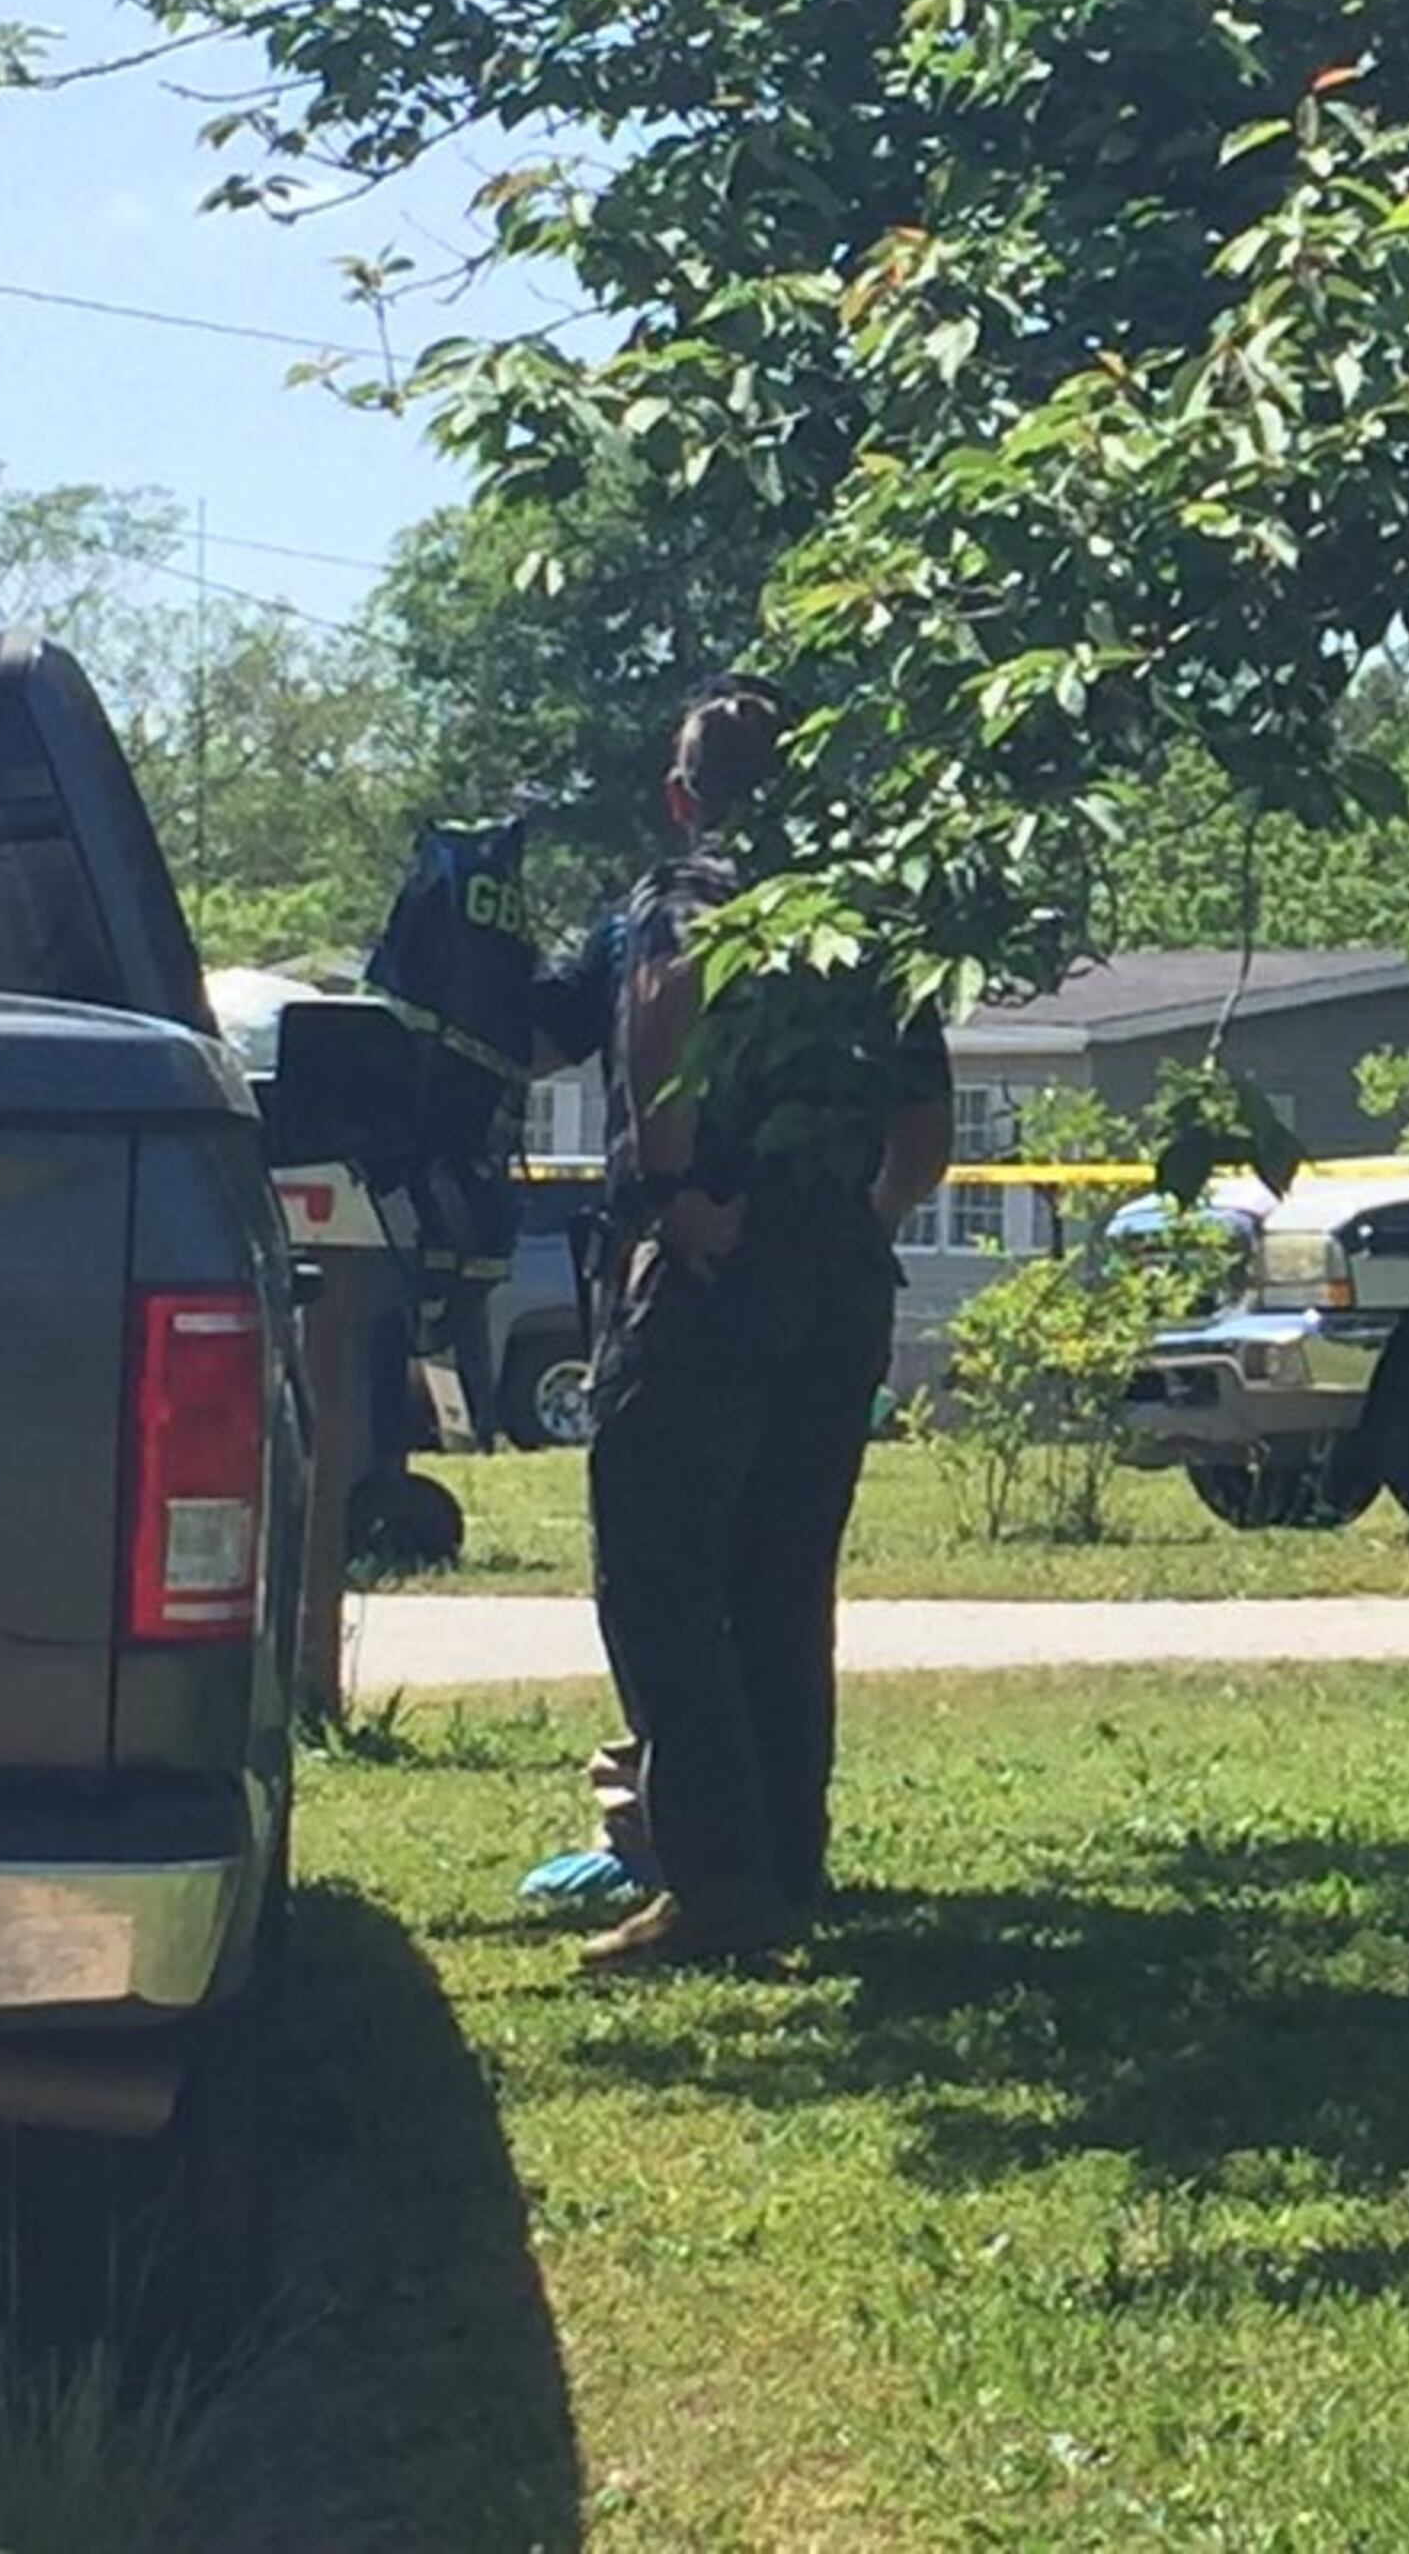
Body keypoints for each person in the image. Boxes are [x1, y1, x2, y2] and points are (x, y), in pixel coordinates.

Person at [529, 680, 954, 1970]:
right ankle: (786, 1862)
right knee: (780, 1584)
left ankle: (713, 1886)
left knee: (659, 1584)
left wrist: (673, 1193)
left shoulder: (683, 895)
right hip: (839, 1280)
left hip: (714, 1274)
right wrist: (863, 1222)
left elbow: (663, 1007)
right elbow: (925, 1125)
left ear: (683, 793)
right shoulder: (871, 927)